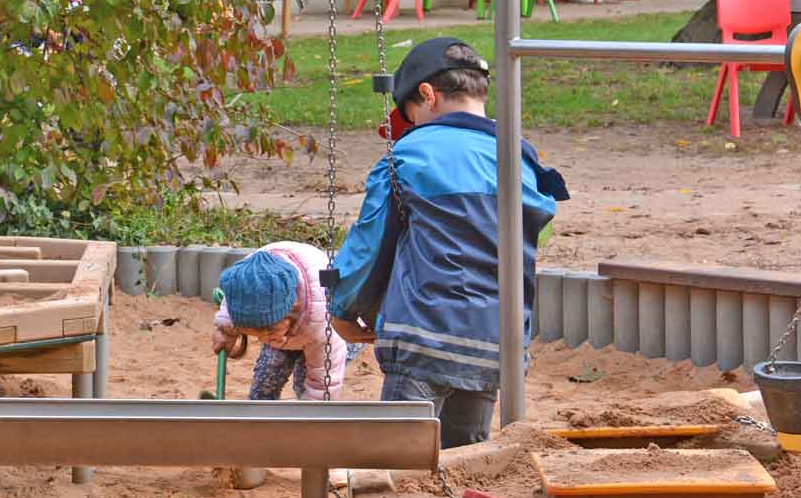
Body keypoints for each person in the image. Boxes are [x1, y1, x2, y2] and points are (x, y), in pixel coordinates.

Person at [328, 37, 568, 447]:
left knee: (400, 458)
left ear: (427, 95)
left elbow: (369, 247)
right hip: (496, 341)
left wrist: (344, 310)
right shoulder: (521, 159)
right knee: (466, 462)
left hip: (423, 336)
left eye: (411, 116)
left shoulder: (407, 156)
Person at [210, 243, 363, 401]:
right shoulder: (245, 279)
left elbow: (322, 385)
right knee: (265, 380)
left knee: (302, 383)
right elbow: (234, 301)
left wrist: (312, 419)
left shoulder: (323, 324)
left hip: (344, 326)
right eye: (257, 336)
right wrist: (226, 330)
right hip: (290, 328)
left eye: (268, 333)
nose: (263, 341)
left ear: (289, 312)